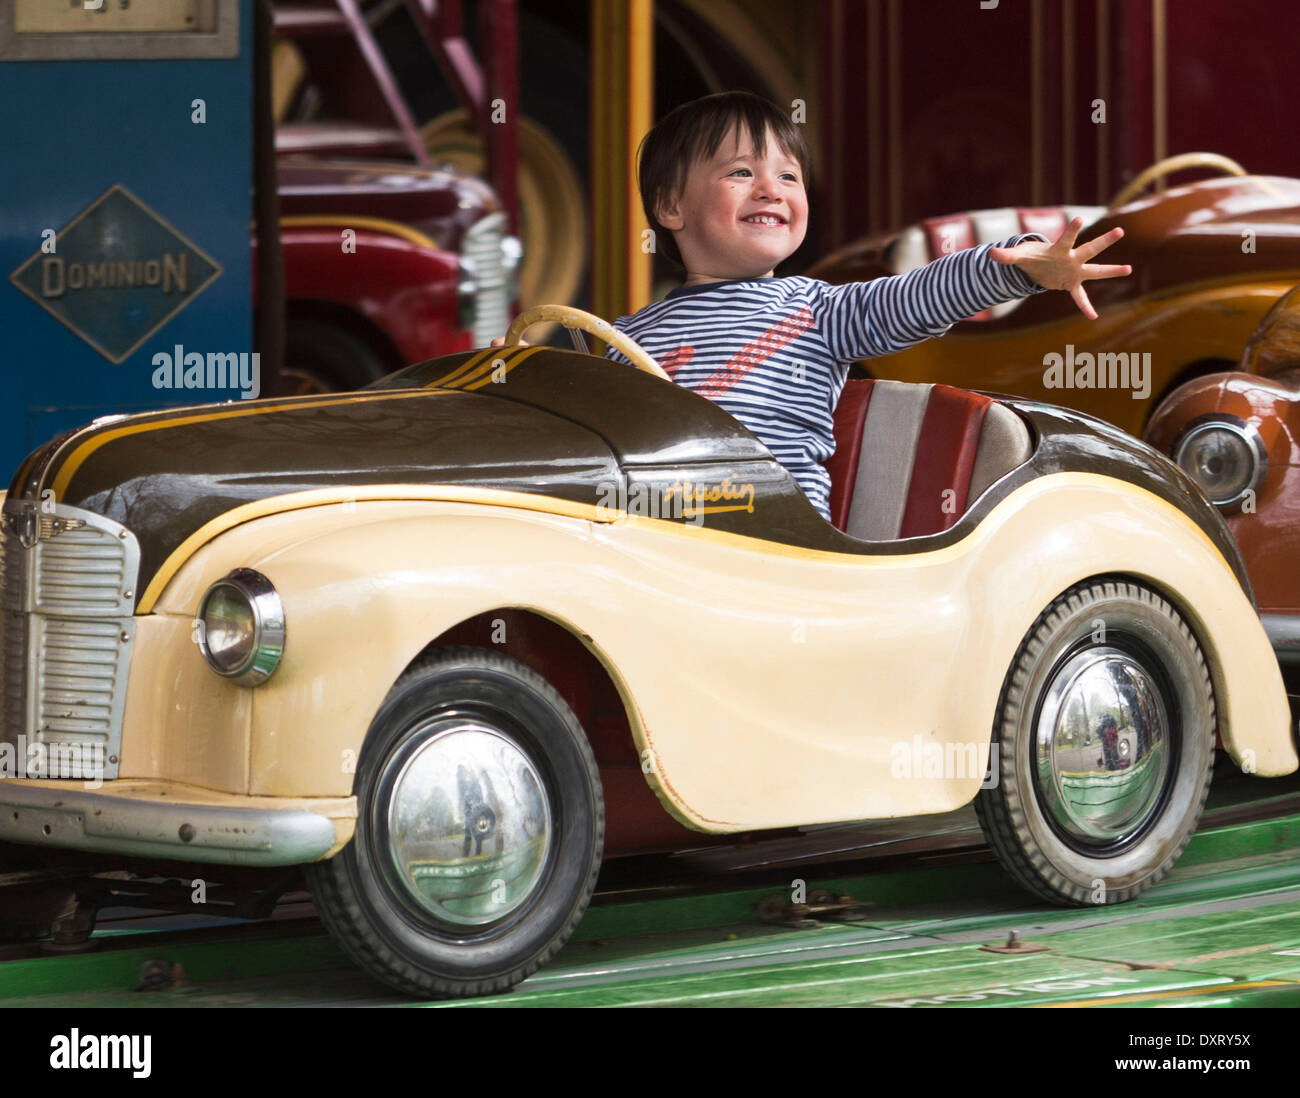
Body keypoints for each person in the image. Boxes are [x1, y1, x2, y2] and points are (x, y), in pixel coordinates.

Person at [503, 91, 1132, 521]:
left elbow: (915, 296)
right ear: (671, 208)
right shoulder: (622, 336)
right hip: (658, 532)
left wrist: (1017, 266)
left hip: (781, 537)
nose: (771, 189)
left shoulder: (818, 310)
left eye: (788, 176)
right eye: (740, 173)